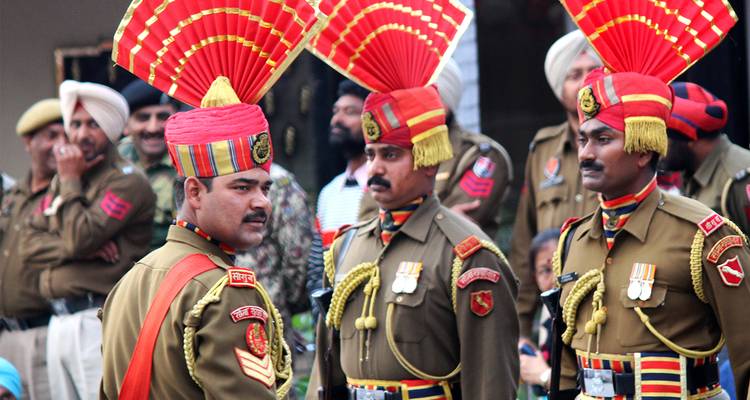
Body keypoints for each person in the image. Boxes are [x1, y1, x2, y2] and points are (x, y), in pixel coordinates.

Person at [99, 0, 321, 395]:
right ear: (195, 191)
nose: (262, 202)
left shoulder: (134, 278)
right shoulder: (223, 290)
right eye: (242, 187)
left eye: (265, 187)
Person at [306, 4, 519, 398]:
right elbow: (327, 370)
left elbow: (490, 382)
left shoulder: (467, 256)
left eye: (391, 155)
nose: (375, 170)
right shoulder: (348, 245)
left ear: (428, 159)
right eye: (371, 156)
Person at [554, 2, 749, 397]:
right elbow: (565, 366)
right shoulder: (573, 240)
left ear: (644, 148)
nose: (586, 154)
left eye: (603, 139)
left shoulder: (703, 238)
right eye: (583, 139)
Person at [18, 82, 155, 400]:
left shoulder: (126, 182)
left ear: (109, 130)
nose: (80, 135)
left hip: (98, 320)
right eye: (76, 124)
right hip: (60, 321)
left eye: (93, 124)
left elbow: (80, 238)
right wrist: (76, 245)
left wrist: (68, 182)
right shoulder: (64, 181)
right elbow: (26, 243)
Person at [509, 30, 602, 339]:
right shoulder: (543, 149)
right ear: (560, 88)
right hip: (555, 313)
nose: (585, 81)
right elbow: (525, 244)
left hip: (604, 307)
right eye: (574, 75)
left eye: (593, 71)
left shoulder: (626, 143)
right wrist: (521, 329)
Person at [357, 59, 513, 238]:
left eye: (414, 98)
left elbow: (456, 227)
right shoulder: (384, 158)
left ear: (441, 104)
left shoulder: (480, 154)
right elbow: (366, 222)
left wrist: (394, 222)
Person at [0, 98, 65, 400]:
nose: (60, 145)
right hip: (8, 334)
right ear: (29, 141)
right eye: (51, 136)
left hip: (45, 329)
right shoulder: (13, 194)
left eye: (66, 136)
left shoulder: (68, 192)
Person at [659, 81, 750, 234]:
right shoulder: (690, 170)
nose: (656, 146)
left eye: (663, 137)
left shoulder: (738, 180)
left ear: (689, 139)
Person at [235, 162, 313, 332]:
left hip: (266, 309)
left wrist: (289, 300)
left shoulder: (279, 183)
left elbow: (297, 252)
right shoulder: (216, 177)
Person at [118, 79, 180, 249]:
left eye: (162, 117)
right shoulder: (113, 158)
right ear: (125, 125)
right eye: (143, 118)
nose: (153, 128)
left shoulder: (190, 164)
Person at [518, 229, 559, 398]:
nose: (555, 278)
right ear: (535, 277)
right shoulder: (548, 310)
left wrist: (543, 375)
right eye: (546, 270)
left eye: (560, 266)